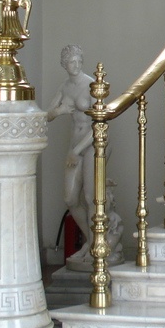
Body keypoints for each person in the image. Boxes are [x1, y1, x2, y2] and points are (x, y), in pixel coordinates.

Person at [46, 45, 96, 266]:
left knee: (90, 197)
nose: (75, 66)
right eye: (71, 62)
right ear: (64, 65)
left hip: (93, 144)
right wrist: (60, 111)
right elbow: (47, 115)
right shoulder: (65, 87)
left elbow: (100, 126)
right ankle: (91, 240)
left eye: (78, 61)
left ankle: (95, 244)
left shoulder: (92, 84)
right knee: (70, 198)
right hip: (74, 144)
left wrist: (76, 151)